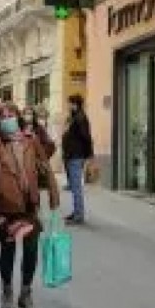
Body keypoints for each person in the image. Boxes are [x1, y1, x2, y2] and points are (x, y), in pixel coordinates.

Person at [0, 104, 59, 308]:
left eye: (11, 115)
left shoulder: (30, 140)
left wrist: (53, 194)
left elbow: (46, 160)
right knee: (8, 252)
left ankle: (26, 293)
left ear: (18, 118)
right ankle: (7, 291)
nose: (8, 119)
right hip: (4, 207)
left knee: (31, 251)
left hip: (29, 206)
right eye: (3, 116)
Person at [61, 94, 93, 224]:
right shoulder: (74, 117)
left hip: (76, 155)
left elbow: (86, 137)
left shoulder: (80, 118)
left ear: (75, 104)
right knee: (74, 187)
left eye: (69, 103)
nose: (68, 105)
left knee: (76, 187)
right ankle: (76, 212)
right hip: (72, 155)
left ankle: (79, 216)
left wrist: (89, 155)